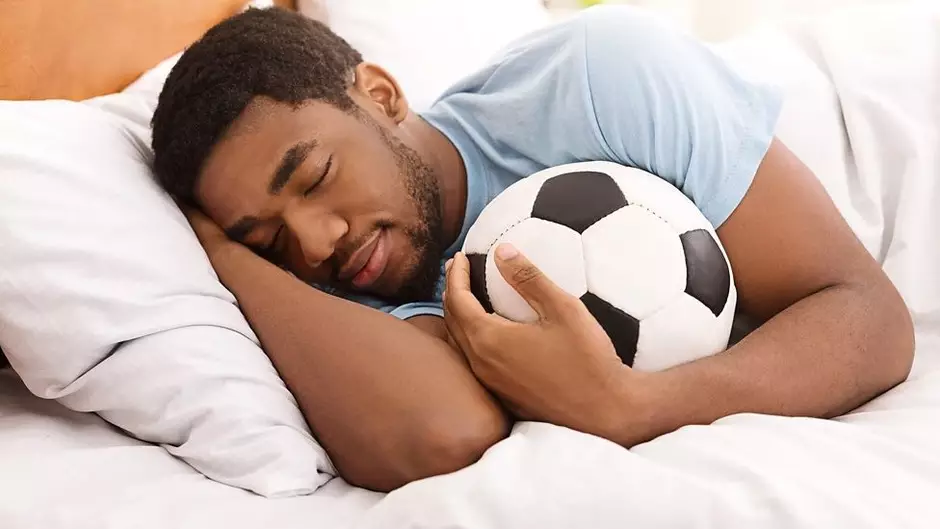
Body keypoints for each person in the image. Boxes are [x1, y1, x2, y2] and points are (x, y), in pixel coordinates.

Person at [149, 5, 914, 492]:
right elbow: (443, 434)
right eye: (268, 234)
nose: (315, 243)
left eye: (315, 177)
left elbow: (868, 317)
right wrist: (229, 259)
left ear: (380, 96)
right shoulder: (332, 293)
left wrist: (634, 407)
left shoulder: (599, 79)